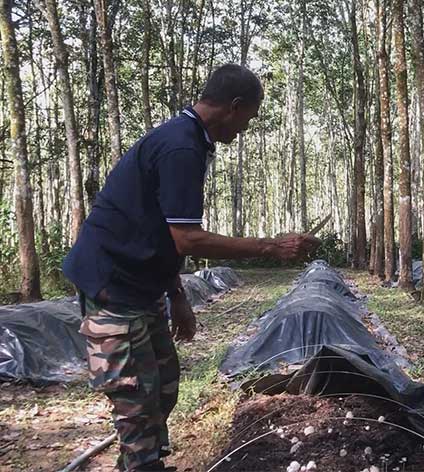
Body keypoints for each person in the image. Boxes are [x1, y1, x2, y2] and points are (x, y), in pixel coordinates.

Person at [62, 64, 320, 472]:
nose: (246, 129)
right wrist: (270, 246)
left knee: (163, 388)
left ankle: (140, 460)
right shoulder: (181, 146)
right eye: (249, 117)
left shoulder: (189, 140)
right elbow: (187, 238)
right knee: (137, 403)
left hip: (143, 283)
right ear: (234, 107)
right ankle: (143, 463)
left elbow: (161, 234)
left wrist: (177, 295)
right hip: (113, 285)